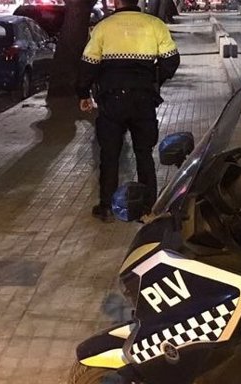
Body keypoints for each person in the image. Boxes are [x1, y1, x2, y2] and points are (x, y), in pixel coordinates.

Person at [76, 0, 180, 222]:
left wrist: (84, 94)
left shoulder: (103, 27)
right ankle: (148, 207)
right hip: (143, 100)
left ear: (116, 2)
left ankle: (107, 207)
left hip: (111, 101)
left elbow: (88, 64)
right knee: (144, 154)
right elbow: (172, 61)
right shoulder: (154, 25)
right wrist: (153, 78)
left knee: (110, 155)